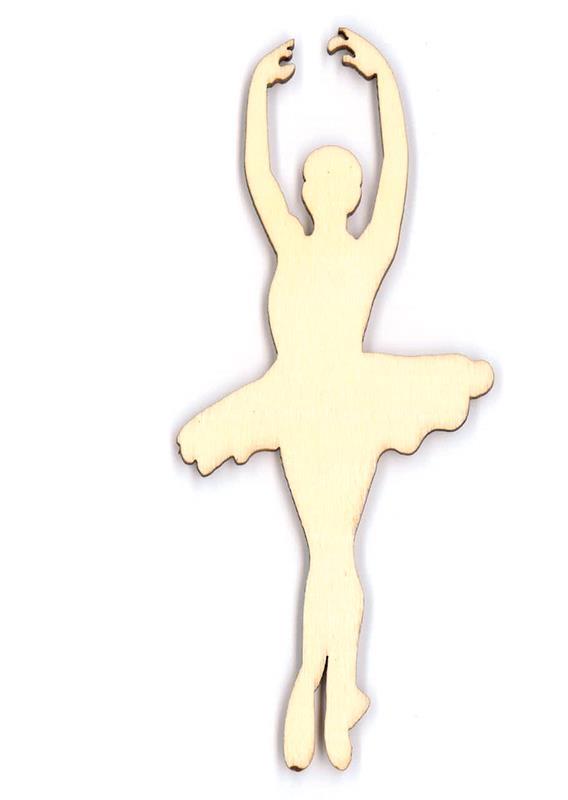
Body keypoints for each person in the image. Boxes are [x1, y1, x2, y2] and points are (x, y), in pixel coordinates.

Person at [177, 28, 494, 770]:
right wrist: (257, 94)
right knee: (329, 549)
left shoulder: (359, 252)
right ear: (310, 192)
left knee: (330, 548)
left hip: (344, 403)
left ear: (349, 196)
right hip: (302, 401)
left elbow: (398, 174)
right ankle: (334, 686)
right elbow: (257, 173)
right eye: (317, 179)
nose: (323, 188)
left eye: (335, 179)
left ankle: (320, 684)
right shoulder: (294, 246)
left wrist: (385, 85)